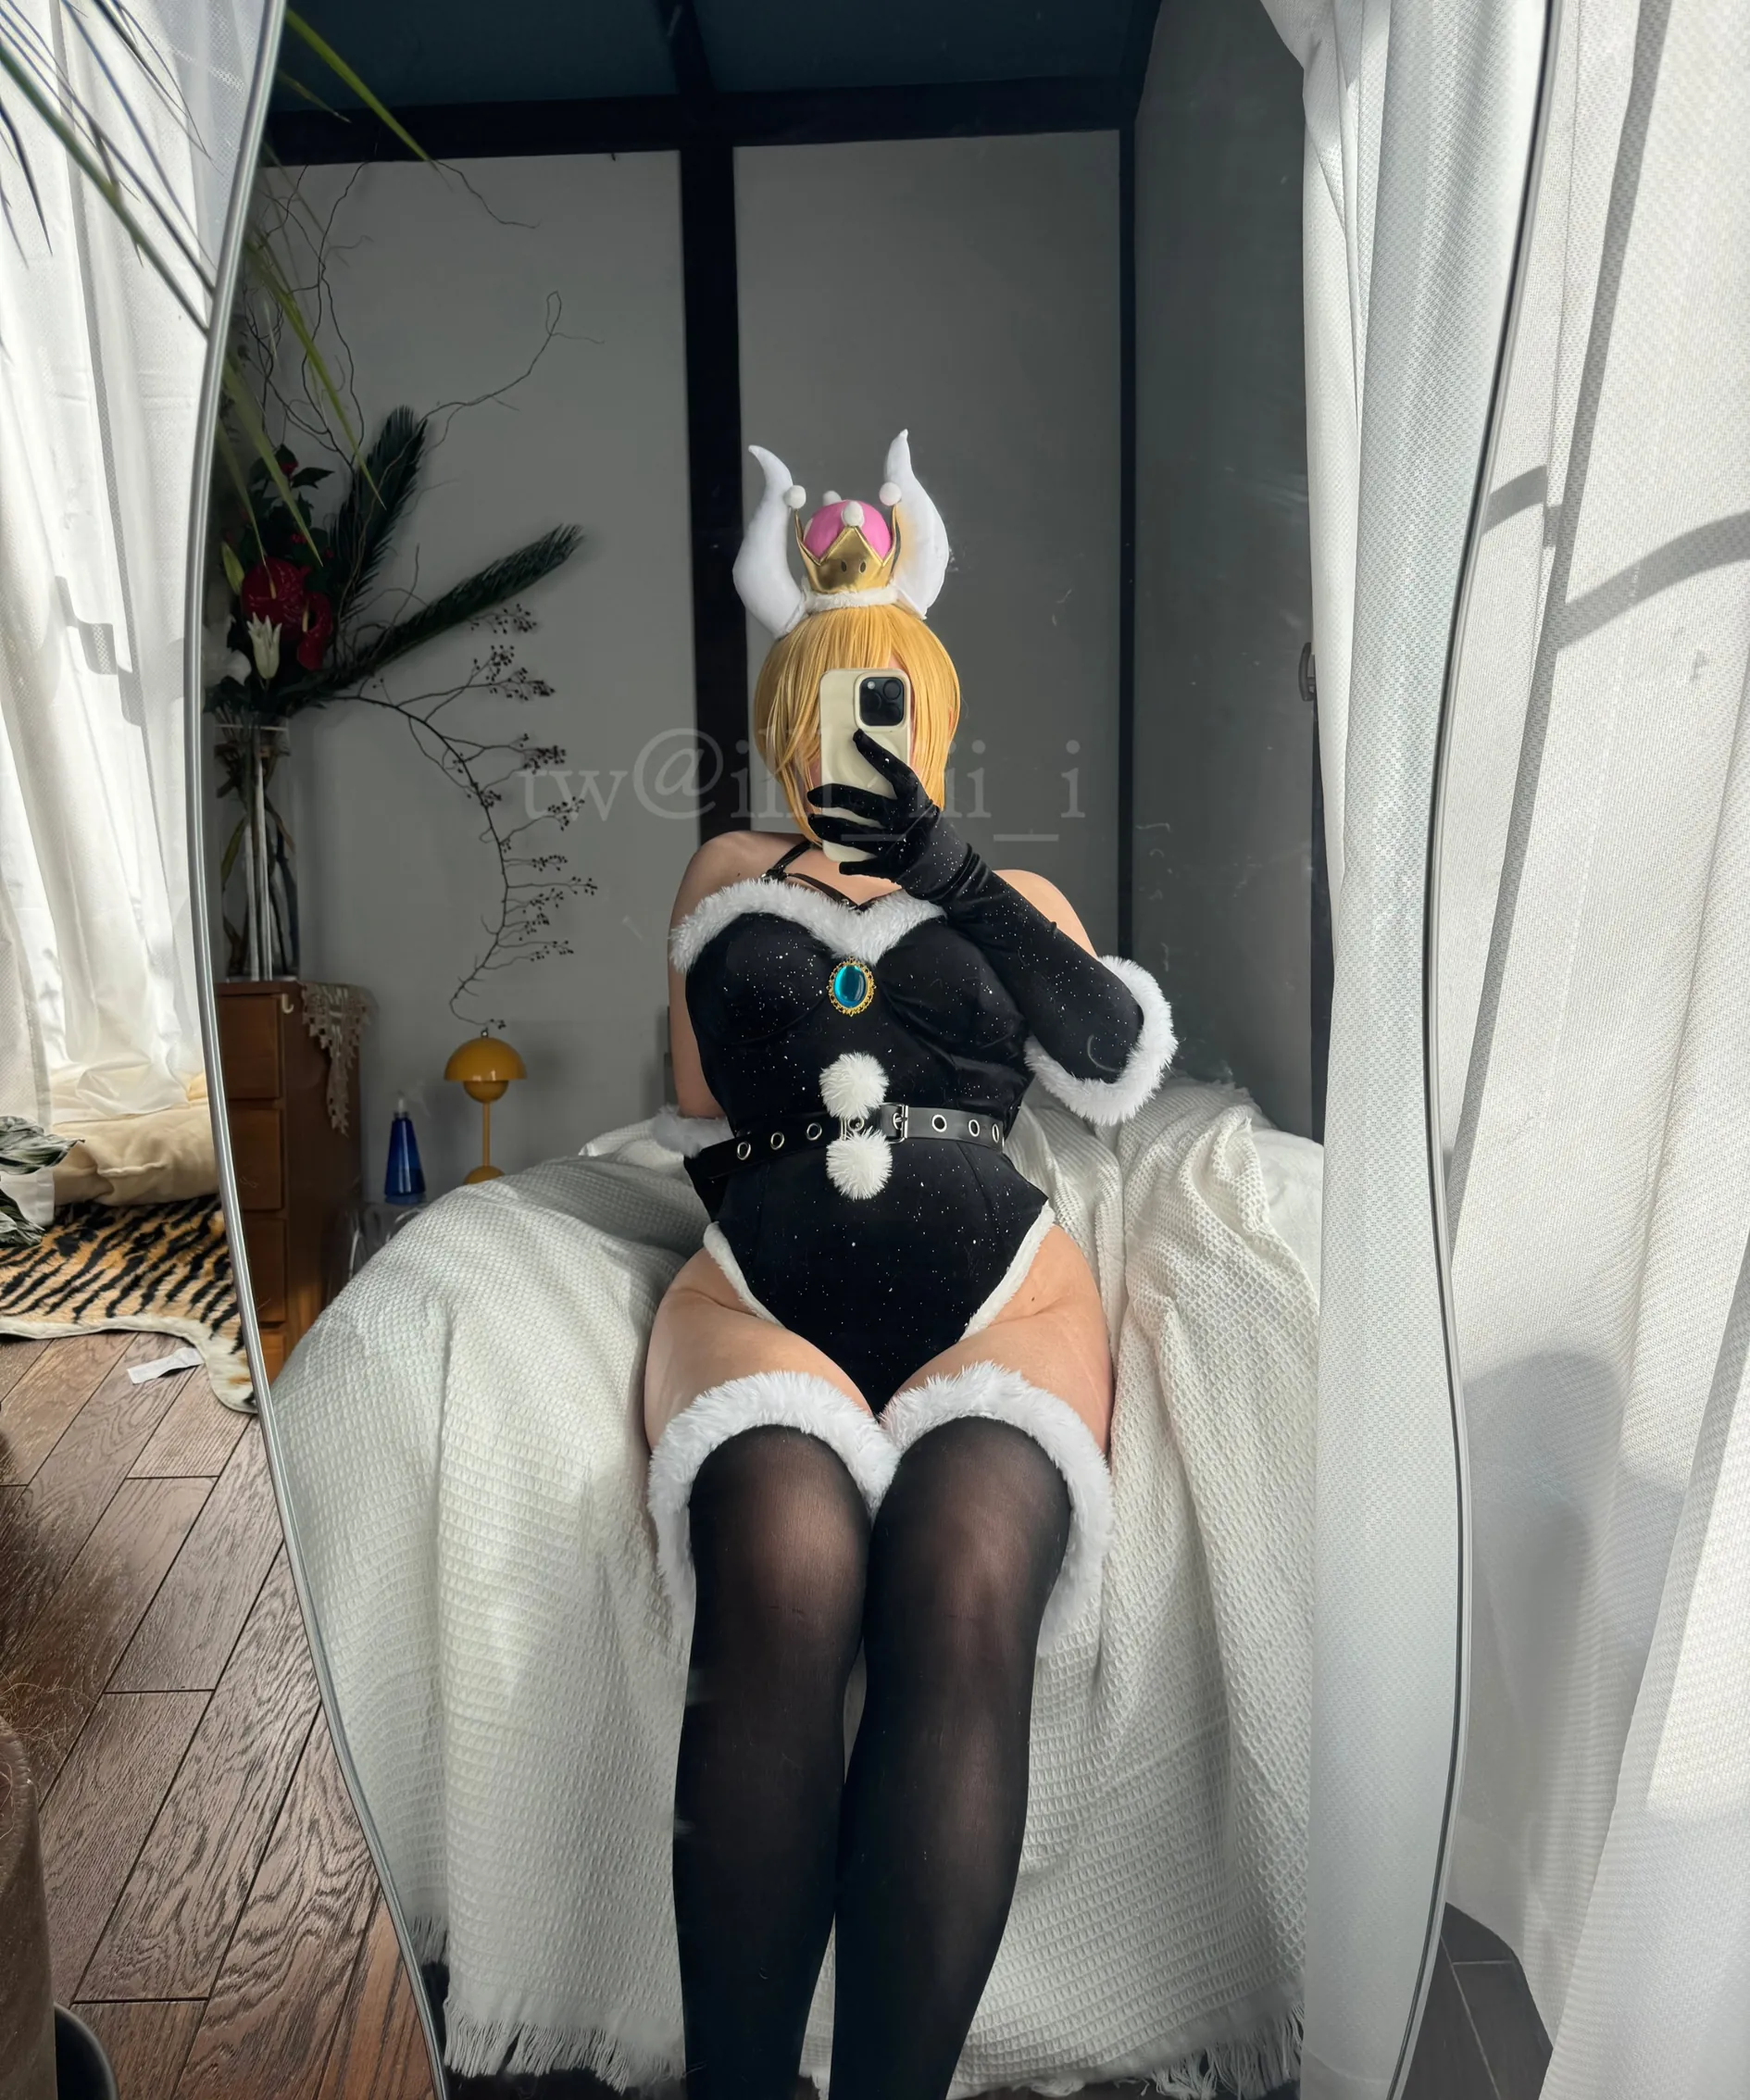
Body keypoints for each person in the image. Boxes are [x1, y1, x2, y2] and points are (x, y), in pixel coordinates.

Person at [643, 434, 1174, 2100]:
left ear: (928, 721)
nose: (845, 742)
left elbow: (1111, 1060)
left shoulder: (1017, 892)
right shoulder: (727, 874)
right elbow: (696, 1091)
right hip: (761, 1300)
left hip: (999, 1302)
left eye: (878, 709)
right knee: (779, 1570)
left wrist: (947, 876)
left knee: (961, 1587)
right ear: (783, 720)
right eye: (818, 711)